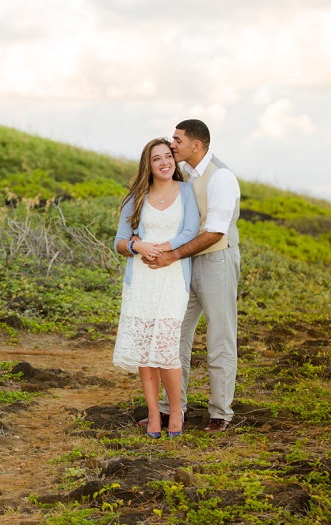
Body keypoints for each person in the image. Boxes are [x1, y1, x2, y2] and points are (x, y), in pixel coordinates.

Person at [144, 119, 240, 434]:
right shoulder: (185, 174)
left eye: (178, 140)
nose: (172, 146)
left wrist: (172, 255)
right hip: (187, 264)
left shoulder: (221, 178)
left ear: (195, 145)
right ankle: (173, 411)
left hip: (216, 261)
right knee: (174, 335)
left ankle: (220, 415)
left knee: (220, 337)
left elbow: (214, 232)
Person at [112, 138, 199, 438]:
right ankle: (152, 415)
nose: (164, 162)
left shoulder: (186, 192)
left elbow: (189, 231)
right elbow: (120, 241)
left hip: (173, 279)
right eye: (156, 158)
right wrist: (138, 247)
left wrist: (160, 249)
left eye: (168, 156)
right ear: (147, 165)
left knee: (165, 349)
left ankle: (176, 411)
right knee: (145, 354)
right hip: (142, 282)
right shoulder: (136, 197)